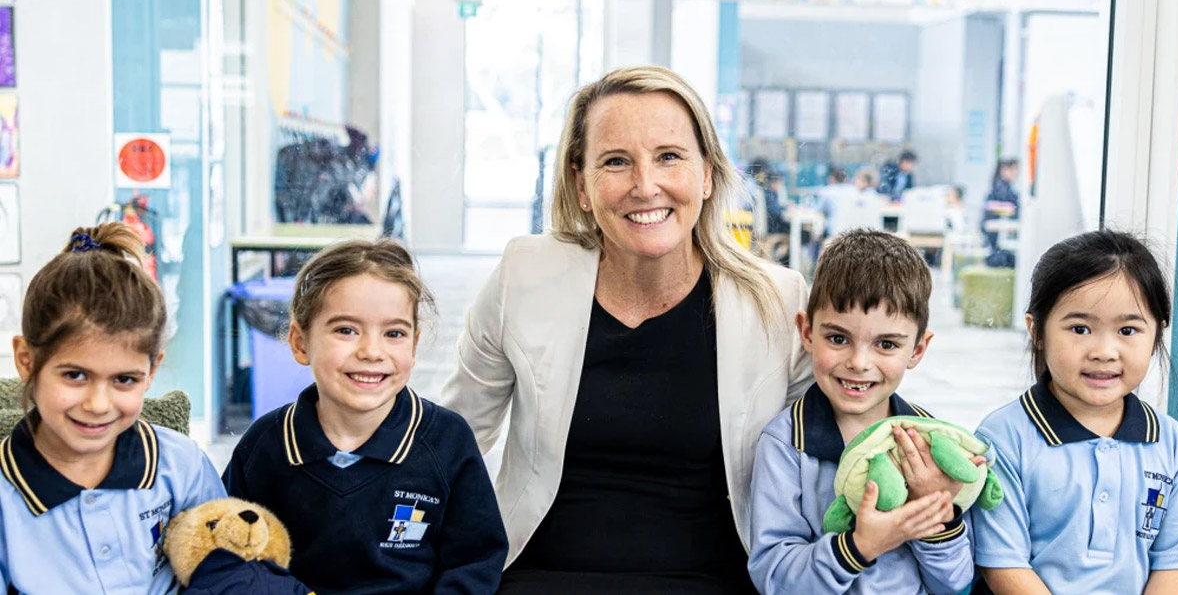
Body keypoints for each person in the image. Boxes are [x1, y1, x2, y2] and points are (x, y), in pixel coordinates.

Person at [441, 65, 812, 594]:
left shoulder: (778, 301)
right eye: (616, 162)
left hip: (708, 580)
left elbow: (823, 457)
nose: (646, 185)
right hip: (541, 576)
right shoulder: (524, 275)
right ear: (581, 183)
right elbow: (453, 441)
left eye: (669, 157)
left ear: (706, 174)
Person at [223, 239, 507, 595]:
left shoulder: (448, 441)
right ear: (300, 343)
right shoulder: (265, 446)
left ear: (414, 346)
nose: (372, 352)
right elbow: (230, 554)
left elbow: (475, 561)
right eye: (346, 330)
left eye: (394, 333)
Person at [748, 229, 978, 595]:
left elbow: (955, 584)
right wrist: (859, 547)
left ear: (918, 350)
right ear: (806, 332)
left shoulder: (932, 442)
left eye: (886, 344)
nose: (858, 363)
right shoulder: (785, 444)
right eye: (838, 338)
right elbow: (774, 578)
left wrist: (936, 510)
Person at [0, 224, 225, 593]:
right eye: (75, 375)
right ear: (26, 361)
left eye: (124, 380)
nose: (98, 404)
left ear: (152, 372)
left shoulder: (181, 465)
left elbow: (225, 572)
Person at [972, 231, 1178, 594]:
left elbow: (1177, 563)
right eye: (1080, 328)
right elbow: (1003, 565)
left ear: (1157, 333)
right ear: (1038, 330)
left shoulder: (1174, 446)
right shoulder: (1002, 438)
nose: (1105, 351)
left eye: (1128, 330)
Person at [982, 159, 1019, 267]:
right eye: (1013, 171)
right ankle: (986, 262)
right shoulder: (1000, 188)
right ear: (1004, 170)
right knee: (1002, 255)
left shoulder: (1004, 187)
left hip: (997, 227)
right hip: (996, 227)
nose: (1015, 174)